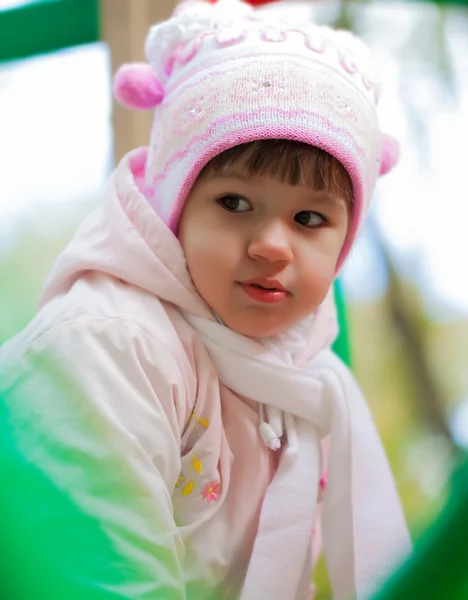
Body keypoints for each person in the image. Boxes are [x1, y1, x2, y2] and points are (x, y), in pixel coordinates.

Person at [0, 1, 411, 599]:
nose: (273, 246)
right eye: (235, 203)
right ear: (175, 203)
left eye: (309, 217)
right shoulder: (108, 345)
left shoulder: (301, 389)